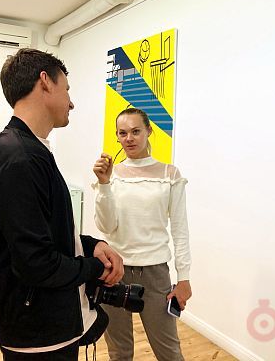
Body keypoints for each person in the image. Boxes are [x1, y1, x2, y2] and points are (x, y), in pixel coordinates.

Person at [0, 48, 124, 360]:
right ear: (45, 82)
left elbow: (39, 232)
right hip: (37, 333)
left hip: (39, 323)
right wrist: (96, 268)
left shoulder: (27, 150)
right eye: (66, 89)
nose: (71, 102)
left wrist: (90, 245)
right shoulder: (21, 158)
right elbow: (36, 263)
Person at [93, 107, 192, 361]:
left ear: (149, 131)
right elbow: (106, 226)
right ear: (117, 136)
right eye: (123, 133)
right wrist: (104, 184)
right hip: (114, 271)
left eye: (136, 131)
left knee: (169, 353)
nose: (129, 138)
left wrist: (184, 278)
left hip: (155, 273)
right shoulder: (111, 175)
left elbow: (180, 229)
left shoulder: (170, 174)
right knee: (119, 352)